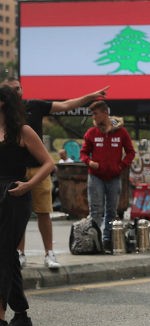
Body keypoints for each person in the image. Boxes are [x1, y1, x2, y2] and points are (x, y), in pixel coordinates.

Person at [4, 78, 107, 273]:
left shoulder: (34, 106)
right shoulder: (4, 116)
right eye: (11, 90)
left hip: (38, 168)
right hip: (15, 171)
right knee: (17, 216)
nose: (16, 93)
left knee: (43, 212)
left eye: (18, 89)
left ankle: (49, 253)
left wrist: (89, 97)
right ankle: (20, 253)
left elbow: (66, 105)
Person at [0, 86, 56, 326]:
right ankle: (21, 316)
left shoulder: (22, 131)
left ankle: (1, 318)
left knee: (2, 253)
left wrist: (29, 186)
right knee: (7, 255)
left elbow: (48, 163)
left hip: (14, 195)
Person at [79, 100, 136, 251]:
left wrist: (121, 166)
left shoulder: (121, 132)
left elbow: (131, 152)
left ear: (105, 113)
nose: (94, 117)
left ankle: (107, 240)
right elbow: (83, 153)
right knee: (96, 210)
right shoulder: (91, 133)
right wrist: (89, 162)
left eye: (95, 113)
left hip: (114, 178)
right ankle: (94, 241)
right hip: (95, 177)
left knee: (112, 211)